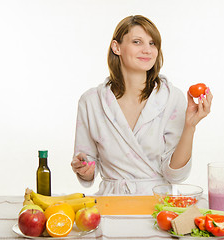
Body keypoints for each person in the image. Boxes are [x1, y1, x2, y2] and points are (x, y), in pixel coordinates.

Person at [71, 15, 213, 195]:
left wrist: (190, 126)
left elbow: (175, 175)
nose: (147, 50)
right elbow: (87, 165)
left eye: (152, 43)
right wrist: (84, 168)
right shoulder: (91, 101)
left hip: (156, 205)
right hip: (110, 203)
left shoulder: (171, 98)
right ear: (117, 47)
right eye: (137, 42)